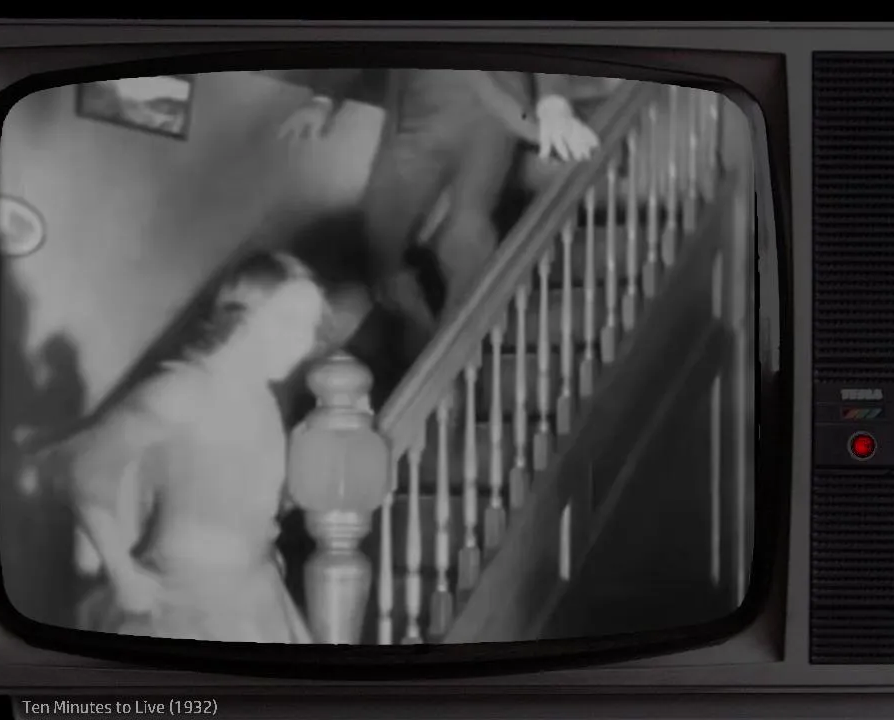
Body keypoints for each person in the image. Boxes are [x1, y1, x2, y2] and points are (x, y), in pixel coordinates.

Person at [41, 252, 328, 643]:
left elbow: (236, 493)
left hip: (256, 595)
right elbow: (78, 469)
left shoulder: (264, 398)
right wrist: (122, 573)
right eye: (288, 322)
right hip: (183, 606)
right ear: (243, 316)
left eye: (311, 327)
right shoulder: (181, 390)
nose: (304, 343)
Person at [277, 69, 600, 372]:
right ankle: (421, 337)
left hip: (490, 114)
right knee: (376, 236)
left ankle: (454, 352)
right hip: (417, 119)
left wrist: (554, 104)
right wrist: (322, 101)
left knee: (466, 231)